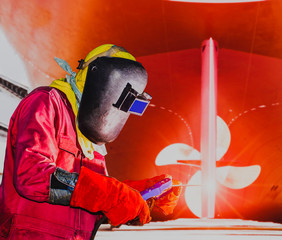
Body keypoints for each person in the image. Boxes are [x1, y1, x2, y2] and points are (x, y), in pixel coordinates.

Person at [0, 44, 182, 239]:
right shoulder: (46, 102)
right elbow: (32, 176)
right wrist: (113, 195)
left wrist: (139, 195)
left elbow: (94, 200)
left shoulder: (92, 140)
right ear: (102, 82)